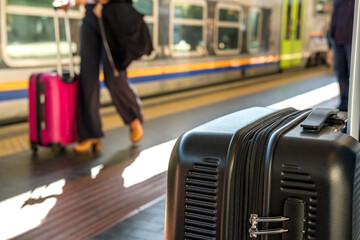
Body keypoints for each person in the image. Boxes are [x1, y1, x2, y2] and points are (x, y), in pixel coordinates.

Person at [61, 0, 144, 153]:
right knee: (87, 78)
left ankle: (133, 118)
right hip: (91, 15)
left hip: (112, 13)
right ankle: (91, 134)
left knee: (113, 76)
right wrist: (71, 2)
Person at [330, 0, 355, 111]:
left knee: (352, 73)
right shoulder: (337, 1)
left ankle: (353, 102)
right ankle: (344, 102)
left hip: (352, 40)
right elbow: (334, 17)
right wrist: (331, 36)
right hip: (337, 40)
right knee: (340, 72)